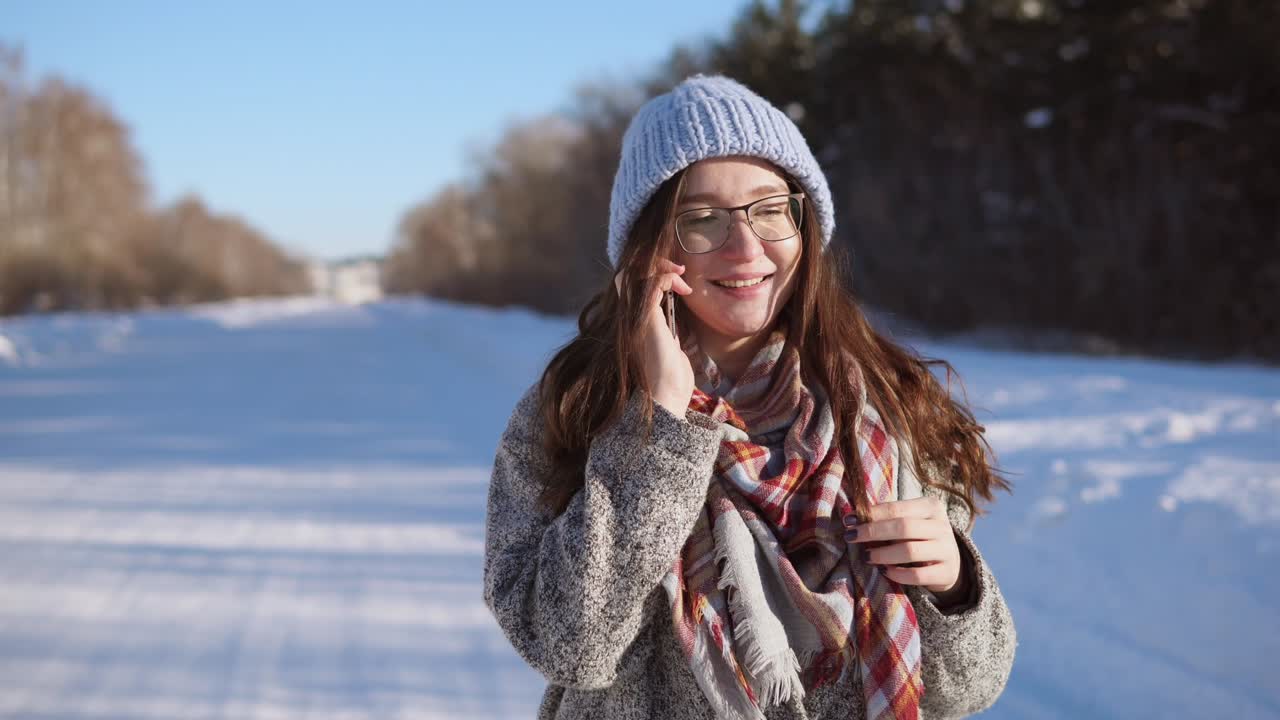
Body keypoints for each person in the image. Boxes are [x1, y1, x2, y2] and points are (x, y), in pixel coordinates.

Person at [482, 74, 1016, 720]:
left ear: (804, 224)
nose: (745, 248)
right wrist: (658, 427)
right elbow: (571, 645)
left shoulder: (886, 403)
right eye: (700, 219)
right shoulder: (573, 409)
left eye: (769, 208)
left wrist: (954, 584)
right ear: (648, 247)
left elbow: (968, 689)